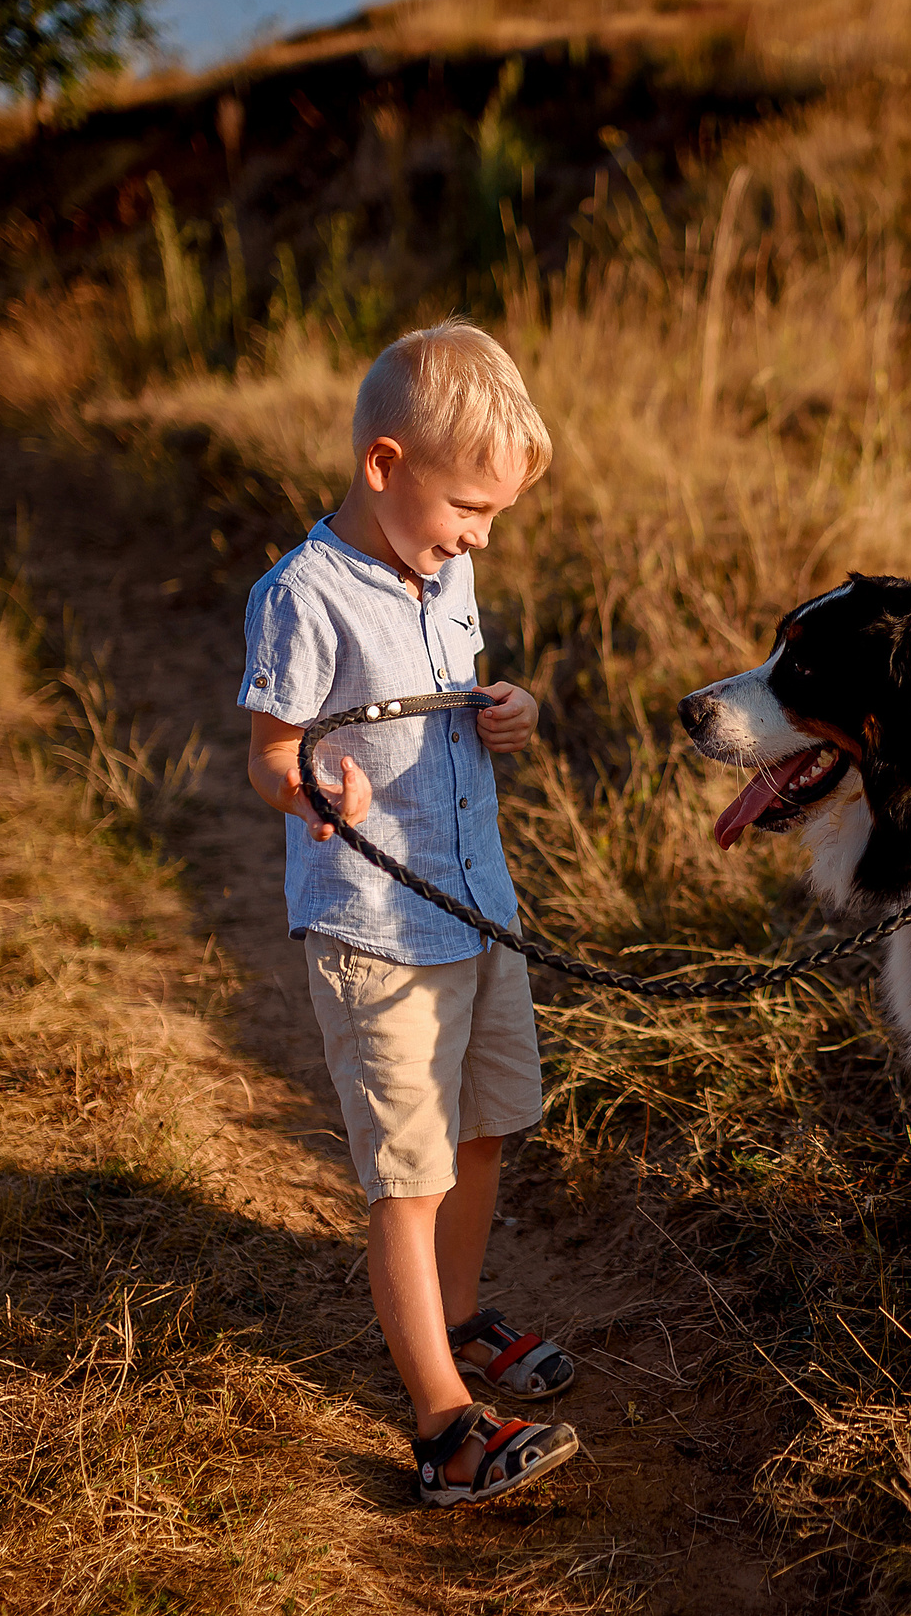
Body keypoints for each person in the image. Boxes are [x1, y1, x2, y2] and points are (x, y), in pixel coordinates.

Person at [239, 318, 580, 1506]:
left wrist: (504, 709)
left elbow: (450, 695)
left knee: (482, 1127)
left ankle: (456, 1310)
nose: (480, 535)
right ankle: (443, 1424)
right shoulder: (300, 595)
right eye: (469, 509)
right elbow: (269, 754)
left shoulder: (445, 567)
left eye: (494, 516)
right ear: (384, 464)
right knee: (409, 1173)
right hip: (380, 931)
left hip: (478, 906)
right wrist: (309, 786)